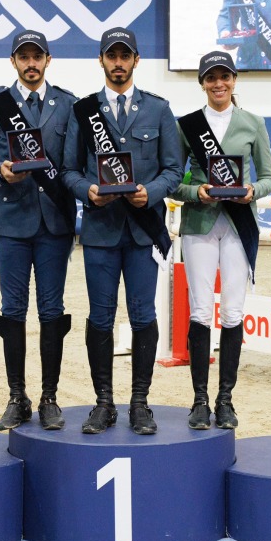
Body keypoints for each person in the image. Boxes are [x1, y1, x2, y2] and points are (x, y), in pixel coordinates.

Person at [61, 27, 183, 435]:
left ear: (135, 61)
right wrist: (87, 191)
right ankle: (103, 403)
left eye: (124, 55)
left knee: (144, 315)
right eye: (111, 56)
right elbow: (68, 171)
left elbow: (173, 169)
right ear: (101, 60)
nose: (118, 62)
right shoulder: (85, 112)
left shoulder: (160, 110)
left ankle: (140, 402)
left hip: (142, 231)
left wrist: (153, 193)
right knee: (100, 317)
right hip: (99, 230)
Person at [0, 29, 77, 432]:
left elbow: (75, 165)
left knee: (52, 311)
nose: (31, 63)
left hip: (55, 223)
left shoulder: (68, 105)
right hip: (12, 222)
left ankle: (49, 397)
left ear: (48, 60)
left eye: (37, 56)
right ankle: (17, 396)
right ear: (13, 62)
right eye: (23, 57)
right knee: (12, 311)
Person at [171, 52, 271, 430]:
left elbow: (269, 177)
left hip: (238, 224)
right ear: (202, 82)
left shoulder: (253, 123)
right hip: (200, 223)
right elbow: (173, 180)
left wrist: (252, 190)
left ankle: (225, 399)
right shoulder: (187, 126)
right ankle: (199, 399)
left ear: (234, 80)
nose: (218, 84)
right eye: (211, 78)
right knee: (200, 310)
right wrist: (196, 191)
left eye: (225, 77)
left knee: (233, 312)